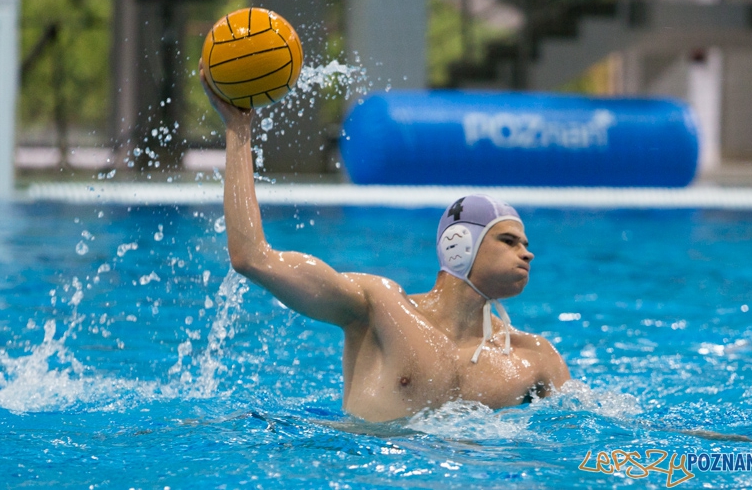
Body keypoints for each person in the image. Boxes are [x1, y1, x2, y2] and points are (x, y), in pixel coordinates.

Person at [200, 65, 570, 422]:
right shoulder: (377, 306)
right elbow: (252, 258)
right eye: (509, 240)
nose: (528, 252)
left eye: (525, 242)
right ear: (460, 244)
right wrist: (238, 129)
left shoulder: (535, 357)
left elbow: (584, 431)